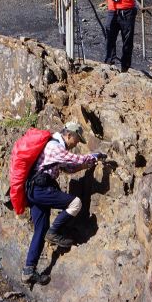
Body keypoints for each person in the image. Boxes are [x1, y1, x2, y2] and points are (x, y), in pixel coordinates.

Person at [22, 121, 105, 284]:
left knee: (40, 230)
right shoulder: (55, 147)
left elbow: (68, 168)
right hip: (41, 189)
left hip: (34, 190)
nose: (76, 144)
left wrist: (86, 165)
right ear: (69, 135)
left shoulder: (55, 147)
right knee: (75, 203)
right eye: (76, 140)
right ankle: (54, 232)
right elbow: (73, 158)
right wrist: (93, 156)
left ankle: (28, 271)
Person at [75, 0, 152, 72]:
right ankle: (109, 61)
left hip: (128, 13)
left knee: (127, 41)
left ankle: (125, 67)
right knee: (110, 37)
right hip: (112, 12)